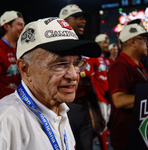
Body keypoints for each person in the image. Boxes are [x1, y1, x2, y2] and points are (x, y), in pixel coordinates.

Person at [0, 17, 101, 150]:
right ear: (25, 69)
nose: (74, 75)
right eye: (60, 64)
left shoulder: (60, 110)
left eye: (76, 63)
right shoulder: (1, 125)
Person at [108, 23, 148, 150]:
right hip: (127, 138)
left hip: (139, 133)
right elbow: (119, 100)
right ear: (132, 42)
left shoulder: (137, 65)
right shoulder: (120, 66)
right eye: (144, 40)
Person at [59, 4, 95, 150]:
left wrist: (94, 110)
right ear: (64, 20)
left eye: (83, 17)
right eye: (77, 17)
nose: (83, 20)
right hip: (64, 105)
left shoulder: (82, 47)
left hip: (83, 106)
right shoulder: (54, 48)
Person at [0, 10, 25, 110]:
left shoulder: (22, 49)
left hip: (18, 105)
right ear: (7, 26)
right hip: (0, 107)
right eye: (19, 24)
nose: (23, 28)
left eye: (24, 25)